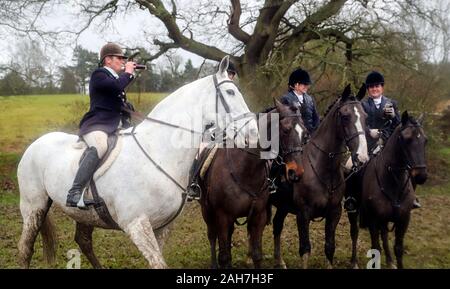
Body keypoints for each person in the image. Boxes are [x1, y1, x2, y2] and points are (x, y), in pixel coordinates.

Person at [66, 42, 136, 209]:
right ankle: (74, 193)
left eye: (122, 59)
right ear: (108, 60)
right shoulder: (99, 74)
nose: (122, 61)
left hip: (115, 125)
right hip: (97, 124)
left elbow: (115, 97)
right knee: (99, 146)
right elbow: (116, 87)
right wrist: (128, 72)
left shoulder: (114, 78)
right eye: (119, 58)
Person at [344, 70, 421, 211]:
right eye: (371, 87)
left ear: (382, 87)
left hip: (388, 145)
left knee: (410, 164)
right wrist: (369, 131)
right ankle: (352, 198)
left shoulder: (392, 104)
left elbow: (400, 126)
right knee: (349, 166)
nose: (374, 89)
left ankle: (411, 197)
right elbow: (358, 123)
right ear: (368, 89)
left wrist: (394, 117)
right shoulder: (362, 104)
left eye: (377, 86)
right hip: (366, 144)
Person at [280, 68, 320, 134]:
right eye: (304, 84)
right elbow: (287, 122)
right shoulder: (286, 99)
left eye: (307, 84)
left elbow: (316, 118)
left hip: (310, 135)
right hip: (295, 136)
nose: (307, 86)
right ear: (296, 85)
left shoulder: (310, 99)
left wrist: (315, 132)